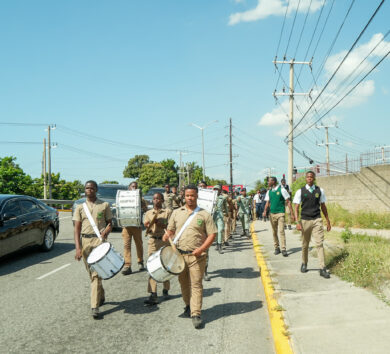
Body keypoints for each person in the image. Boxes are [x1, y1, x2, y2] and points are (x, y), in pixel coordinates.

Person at [163, 184, 217, 329]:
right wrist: (167, 235)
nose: (190, 198)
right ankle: (188, 305)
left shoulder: (204, 214)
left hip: (197, 257)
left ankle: (196, 313)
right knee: (183, 283)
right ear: (184, 196)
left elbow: (212, 234)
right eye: (187, 195)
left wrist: (202, 249)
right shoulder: (176, 212)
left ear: (197, 196)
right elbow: (170, 230)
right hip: (180, 256)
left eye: (192, 195)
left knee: (196, 284)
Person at [73, 180, 113, 319]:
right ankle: (100, 294)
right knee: (91, 274)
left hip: (99, 241)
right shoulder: (79, 207)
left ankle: (94, 306)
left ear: (96, 190)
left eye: (92, 188)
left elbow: (110, 223)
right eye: (87, 188)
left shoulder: (104, 205)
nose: (89, 190)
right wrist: (78, 248)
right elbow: (76, 229)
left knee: (96, 274)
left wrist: (106, 231)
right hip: (85, 242)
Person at [293, 171, 331, 279]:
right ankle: (304, 263)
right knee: (305, 244)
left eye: (311, 177)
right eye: (308, 177)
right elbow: (296, 207)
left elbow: (323, 206)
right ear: (306, 179)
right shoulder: (300, 191)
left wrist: (327, 220)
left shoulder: (320, 190)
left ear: (314, 178)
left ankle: (322, 268)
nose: (309, 178)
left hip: (317, 219)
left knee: (319, 243)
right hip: (305, 220)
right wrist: (297, 222)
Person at [143, 192, 172, 305]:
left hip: (164, 241)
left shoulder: (167, 212)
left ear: (162, 200)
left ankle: (166, 288)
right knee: (152, 266)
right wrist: (147, 227)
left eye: (158, 198)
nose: (156, 200)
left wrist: (158, 222)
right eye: (154, 198)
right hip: (153, 241)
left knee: (165, 265)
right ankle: (153, 293)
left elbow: (169, 226)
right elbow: (148, 230)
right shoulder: (148, 213)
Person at [263, 177, 295, 257]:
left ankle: (283, 249)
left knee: (281, 231)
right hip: (272, 214)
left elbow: (288, 201)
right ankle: (276, 248)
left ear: (273, 182)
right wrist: (264, 211)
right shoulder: (269, 192)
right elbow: (267, 202)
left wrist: (292, 213)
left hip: (280, 213)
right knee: (274, 232)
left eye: (269, 181)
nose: (268, 182)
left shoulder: (282, 190)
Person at [121, 181, 148, 275]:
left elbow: (146, 210)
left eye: (136, 187)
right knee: (126, 246)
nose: (134, 188)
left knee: (139, 244)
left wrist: (139, 199)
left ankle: (140, 262)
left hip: (137, 225)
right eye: (132, 187)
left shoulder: (141, 199)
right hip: (126, 226)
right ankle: (127, 265)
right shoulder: (124, 198)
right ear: (129, 188)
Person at [213, 185, 228, 254]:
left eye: (217, 189)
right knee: (215, 231)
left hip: (220, 215)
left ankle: (220, 246)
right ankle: (216, 243)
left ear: (220, 190)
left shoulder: (223, 198)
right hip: (212, 215)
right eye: (214, 189)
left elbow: (225, 206)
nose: (216, 190)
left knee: (220, 229)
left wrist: (227, 213)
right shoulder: (211, 197)